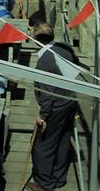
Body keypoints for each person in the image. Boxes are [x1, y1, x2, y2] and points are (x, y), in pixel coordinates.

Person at [28, 23, 79, 191]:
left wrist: (43, 116)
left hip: (56, 106)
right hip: (70, 101)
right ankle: (59, 177)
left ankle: (44, 183)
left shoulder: (45, 60)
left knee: (43, 145)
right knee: (63, 140)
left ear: (37, 40)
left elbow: (47, 94)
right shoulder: (65, 48)